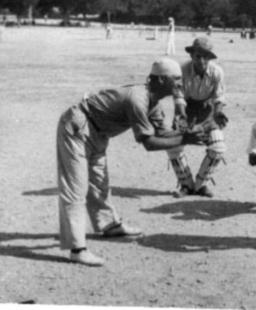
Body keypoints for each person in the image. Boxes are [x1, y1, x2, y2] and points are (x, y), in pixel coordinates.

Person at [56, 58, 207, 266]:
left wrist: (186, 133)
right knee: (76, 188)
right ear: (162, 79)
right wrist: (185, 139)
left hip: (99, 133)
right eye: (176, 79)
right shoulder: (138, 99)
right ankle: (77, 249)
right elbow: (149, 143)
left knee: (99, 182)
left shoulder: (152, 102)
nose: (181, 83)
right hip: (77, 127)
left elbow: (161, 132)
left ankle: (109, 225)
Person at [167, 36, 228, 198]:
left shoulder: (217, 72)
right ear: (191, 56)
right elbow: (179, 96)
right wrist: (179, 115)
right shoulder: (182, 70)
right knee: (173, 147)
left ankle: (201, 184)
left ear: (210, 58)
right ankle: (186, 185)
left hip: (208, 111)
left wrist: (218, 112)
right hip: (186, 110)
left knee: (218, 148)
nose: (201, 60)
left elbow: (219, 97)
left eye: (205, 56)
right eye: (197, 56)